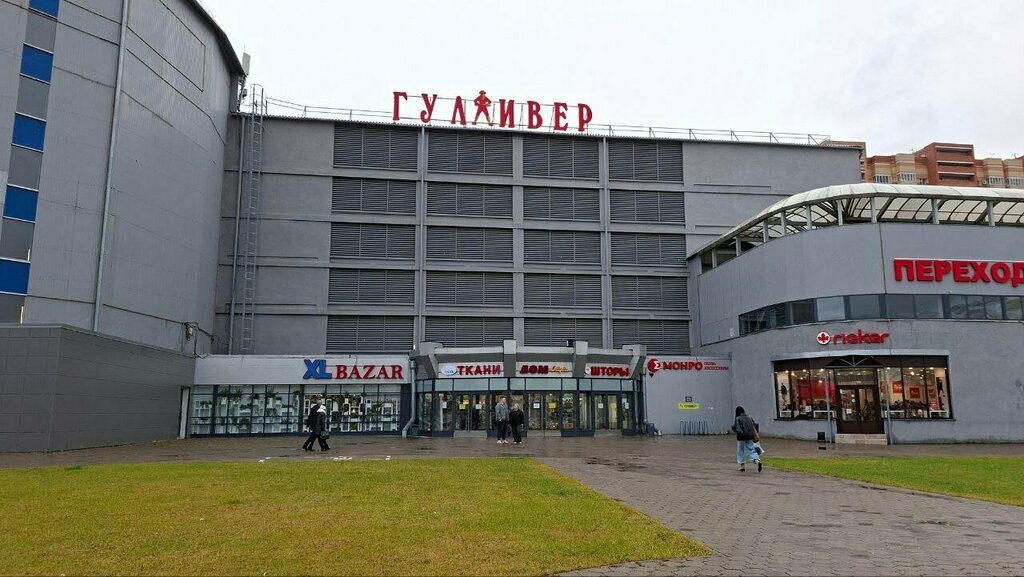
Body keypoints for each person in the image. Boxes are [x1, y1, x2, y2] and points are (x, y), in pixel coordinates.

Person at [731, 405, 762, 472]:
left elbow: (738, 429)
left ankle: (742, 466)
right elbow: (754, 425)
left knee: (740, 451)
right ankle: (757, 460)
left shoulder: (738, 418)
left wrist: (734, 429)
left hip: (741, 437)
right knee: (752, 449)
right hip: (749, 437)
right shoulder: (749, 417)